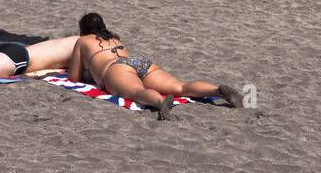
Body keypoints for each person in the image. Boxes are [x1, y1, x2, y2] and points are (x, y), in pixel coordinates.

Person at [66, 13, 241, 119]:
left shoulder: (82, 40)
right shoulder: (114, 38)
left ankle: (160, 102)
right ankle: (218, 91)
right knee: (180, 86)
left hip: (115, 69)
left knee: (137, 92)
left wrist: (89, 71)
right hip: (138, 62)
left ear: (83, 30)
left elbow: (74, 77)